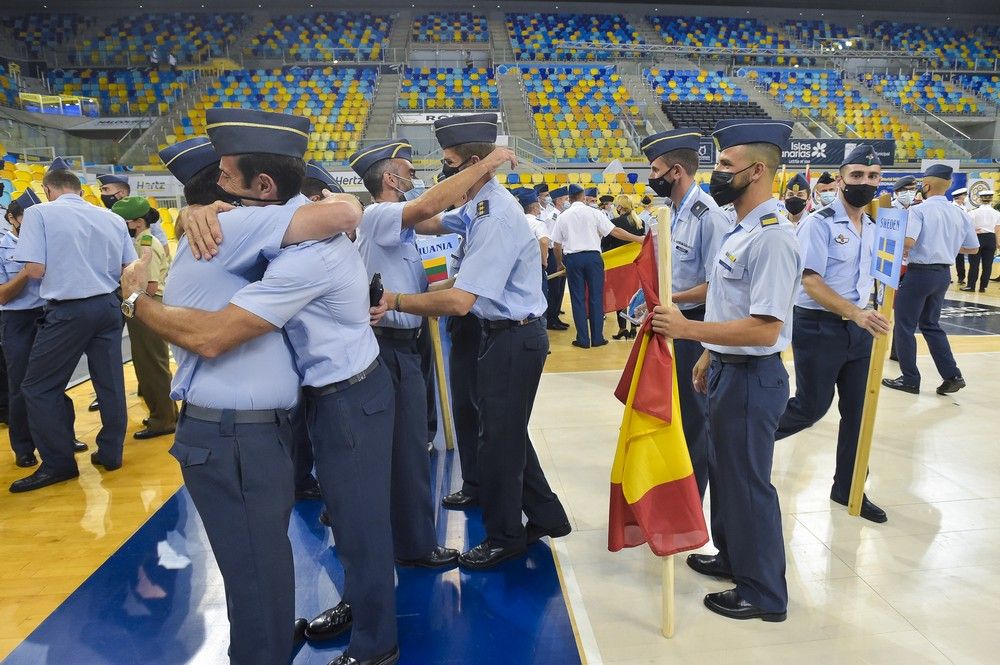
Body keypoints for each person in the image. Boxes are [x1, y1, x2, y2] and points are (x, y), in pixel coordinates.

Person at [120, 107, 367, 665]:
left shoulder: (213, 228)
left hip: (241, 433)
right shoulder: (232, 225)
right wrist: (136, 300)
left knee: (262, 562)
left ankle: (272, 637)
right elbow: (341, 209)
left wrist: (189, 218)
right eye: (225, 178)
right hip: (235, 438)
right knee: (256, 568)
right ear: (235, 193)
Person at [381, 112, 572, 570]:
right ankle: (548, 515)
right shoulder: (478, 204)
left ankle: (506, 536)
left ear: (469, 163)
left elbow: (461, 300)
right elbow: (432, 223)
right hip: (502, 336)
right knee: (504, 433)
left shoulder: (496, 218)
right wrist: (389, 214)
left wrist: (396, 300)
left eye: (447, 164)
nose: (442, 173)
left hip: (515, 338)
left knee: (499, 445)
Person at [651, 118, 800, 622]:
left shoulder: (774, 237)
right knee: (728, 475)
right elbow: (731, 303)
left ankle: (763, 593)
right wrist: (711, 355)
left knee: (750, 483)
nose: (717, 174)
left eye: (725, 166)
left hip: (754, 378)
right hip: (726, 369)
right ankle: (734, 558)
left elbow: (763, 329)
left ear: (757, 170)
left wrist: (690, 334)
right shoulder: (741, 227)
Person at [348, 137, 513, 570]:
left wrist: (468, 285)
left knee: (408, 449)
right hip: (386, 347)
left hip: (403, 344)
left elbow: (421, 286)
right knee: (404, 451)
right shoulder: (380, 214)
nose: (415, 175)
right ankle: (414, 545)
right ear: (389, 178)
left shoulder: (395, 229)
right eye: (406, 168)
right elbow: (427, 209)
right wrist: (487, 162)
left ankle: (410, 539)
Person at [775, 145, 890, 523]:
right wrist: (855, 313)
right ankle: (743, 443)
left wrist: (871, 312)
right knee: (811, 407)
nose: (864, 183)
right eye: (856, 176)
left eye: (872, 177)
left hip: (859, 330)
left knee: (859, 413)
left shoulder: (873, 228)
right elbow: (811, 282)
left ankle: (850, 488)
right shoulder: (819, 222)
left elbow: (871, 279)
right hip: (819, 327)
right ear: (840, 179)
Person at [9, 164, 136, 493]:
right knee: (109, 382)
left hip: (69, 309)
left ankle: (59, 462)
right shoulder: (110, 218)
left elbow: (35, 271)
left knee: (37, 387)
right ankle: (111, 452)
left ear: (48, 189)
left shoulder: (39, 213)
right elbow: (129, 266)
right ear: (79, 189)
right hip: (108, 305)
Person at [640, 128, 730, 499]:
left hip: (696, 326)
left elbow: (718, 284)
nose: (651, 177)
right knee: (671, 408)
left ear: (676, 172)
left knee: (696, 417)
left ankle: (691, 498)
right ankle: (674, 481)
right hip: (671, 322)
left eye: (655, 169)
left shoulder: (708, 215)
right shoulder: (672, 212)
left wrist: (669, 295)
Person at [1, 191, 87, 467]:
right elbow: (3, 296)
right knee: (21, 386)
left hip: (50, 313)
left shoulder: (51, 240)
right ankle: (24, 446)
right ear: (12, 218)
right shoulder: (4, 246)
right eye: (27, 215)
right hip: (18, 320)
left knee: (55, 382)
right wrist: (28, 269)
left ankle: (64, 436)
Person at [883, 164, 979, 396]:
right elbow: (973, 249)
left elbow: (909, 243)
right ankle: (952, 375)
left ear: (926, 185)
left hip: (919, 273)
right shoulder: (960, 213)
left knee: (905, 326)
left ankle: (910, 378)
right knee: (931, 325)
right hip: (943, 274)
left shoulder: (919, 210)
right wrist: (945, 247)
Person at [111, 197, 177, 439]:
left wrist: (128, 299)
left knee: (150, 364)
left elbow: (148, 286)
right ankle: (168, 413)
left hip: (146, 305)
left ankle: (163, 420)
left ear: (137, 223)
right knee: (153, 362)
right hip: (149, 305)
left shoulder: (144, 244)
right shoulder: (144, 240)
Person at [551, 184, 644, 349]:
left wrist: (559, 263)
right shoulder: (594, 213)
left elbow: (557, 244)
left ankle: (583, 339)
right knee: (596, 297)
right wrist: (638, 239)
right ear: (582, 196)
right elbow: (615, 231)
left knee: (578, 299)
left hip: (573, 259)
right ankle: (597, 337)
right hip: (593, 258)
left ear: (569, 198)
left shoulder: (563, 216)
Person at [602, 194, 645, 341]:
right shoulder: (641, 223)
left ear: (619, 207)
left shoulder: (614, 222)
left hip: (618, 266)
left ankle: (622, 328)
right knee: (634, 296)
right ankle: (634, 327)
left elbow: (605, 245)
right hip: (634, 265)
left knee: (620, 296)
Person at [97, 173, 169, 248]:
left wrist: (145, 254)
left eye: (106, 189)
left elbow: (162, 244)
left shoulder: (142, 211)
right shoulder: (105, 216)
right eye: (101, 190)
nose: (102, 194)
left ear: (122, 192)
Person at [516, 187, 552, 298]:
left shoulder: (516, 222)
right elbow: (544, 241)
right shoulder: (538, 223)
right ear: (535, 207)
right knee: (539, 295)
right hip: (534, 264)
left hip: (518, 265)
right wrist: (544, 261)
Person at [961, 190, 999, 292]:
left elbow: (967, 227)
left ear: (980, 199)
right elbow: (997, 230)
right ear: (991, 199)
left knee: (974, 264)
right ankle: (983, 287)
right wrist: (997, 244)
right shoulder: (997, 213)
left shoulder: (973, 212)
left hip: (977, 237)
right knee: (987, 265)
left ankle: (971, 286)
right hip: (991, 238)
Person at [544, 186, 570, 330]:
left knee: (559, 287)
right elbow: (550, 238)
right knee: (554, 288)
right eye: (565, 199)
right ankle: (550, 319)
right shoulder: (553, 215)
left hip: (561, 252)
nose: (567, 201)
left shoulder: (560, 213)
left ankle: (555, 317)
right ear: (559, 200)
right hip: (554, 253)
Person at [952, 186, 970, 283]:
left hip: (961, 235)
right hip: (952, 235)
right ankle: (948, 277)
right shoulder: (952, 207)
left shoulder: (964, 208)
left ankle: (961, 277)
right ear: (960, 197)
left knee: (960, 257)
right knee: (948, 255)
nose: (966, 197)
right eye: (965, 195)